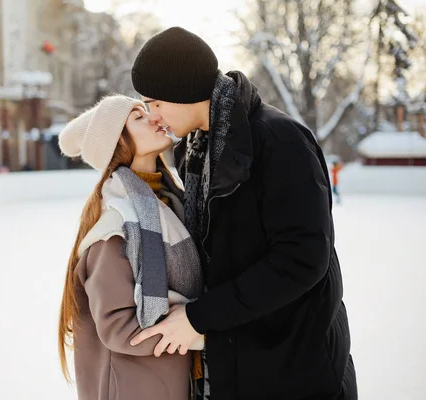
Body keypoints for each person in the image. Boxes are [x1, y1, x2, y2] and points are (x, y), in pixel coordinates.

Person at [128, 27, 357, 399]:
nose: (154, 116)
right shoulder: (195, 150)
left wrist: (200, 317)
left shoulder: (280, 141)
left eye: (155, 102)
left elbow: (302, 259)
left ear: (182, 91)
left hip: (295, 368)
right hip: (239, 362)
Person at [57, 95, 205, 400]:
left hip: (174, 382)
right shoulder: (116, 226)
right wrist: (200, 330)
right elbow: (119, 327)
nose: (154, 117)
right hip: (135, 388)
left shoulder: (172, 202)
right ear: (117, 142)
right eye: (138, 118)